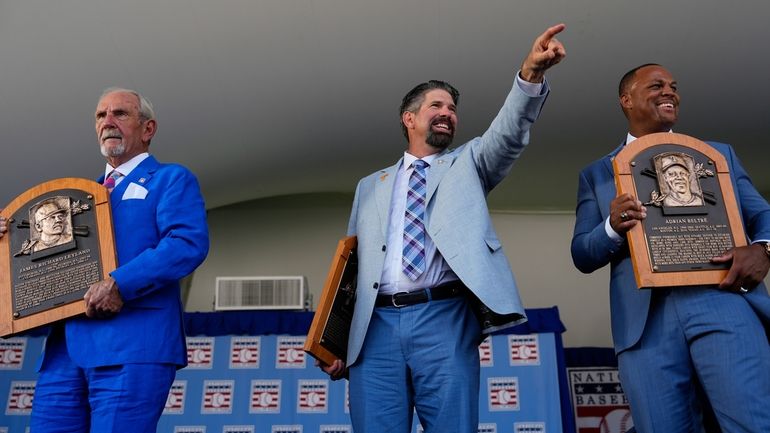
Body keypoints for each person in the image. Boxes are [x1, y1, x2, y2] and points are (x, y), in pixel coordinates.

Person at [320, 24, 566, 432]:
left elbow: (508, 134)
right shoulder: (370, 186)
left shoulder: (468, 163)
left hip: (444, 318)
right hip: (374, 328)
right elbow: (352, 267)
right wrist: (337, 339)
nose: (448, 114)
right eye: (437, 106)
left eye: (452, 109)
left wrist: (530, 76)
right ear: (410, 118)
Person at [571, 63, 770, 432]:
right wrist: (612, 227)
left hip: (722, 297)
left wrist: (763, 248)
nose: (670, 92)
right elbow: (582, 253)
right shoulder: (598, 173)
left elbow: (764, 215)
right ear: (626, 100)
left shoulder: (717, 154)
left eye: (674, 87)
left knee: (753, 423)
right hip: (646, 322)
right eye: (657, 85)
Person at [14, 88, 209, 433]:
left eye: (120, 113)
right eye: (100, 116)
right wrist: (9, 233)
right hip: (64, 351)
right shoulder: (74, 198)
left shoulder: (171, 179)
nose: (108, 122)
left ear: (148, 129)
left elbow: (185, 243)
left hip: (132, 346)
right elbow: (40, 259)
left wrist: (120, 283)